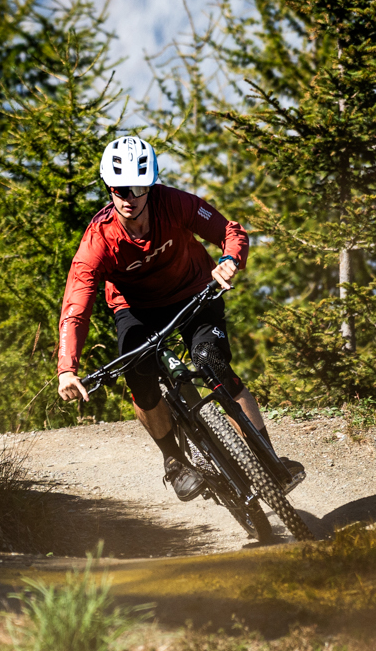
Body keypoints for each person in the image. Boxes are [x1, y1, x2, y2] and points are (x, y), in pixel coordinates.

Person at [55, 136, 303, 535]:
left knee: (213, 362)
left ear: (150, 186)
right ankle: (174, 460)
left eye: (138, 187)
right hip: (134, 310)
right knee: (139, 375)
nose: (129, 197)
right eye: (119, 189)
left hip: (194, 292)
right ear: (109, 188)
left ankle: (266, 457)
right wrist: (68, 368)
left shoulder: (176, 204)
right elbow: (76, 305)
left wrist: (228, 262)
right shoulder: (98, 240)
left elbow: (230, 232)